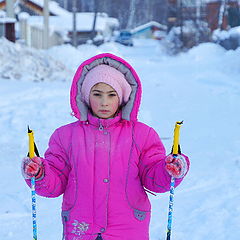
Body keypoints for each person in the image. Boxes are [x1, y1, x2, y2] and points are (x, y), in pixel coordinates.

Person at [22, 53, 190, 240]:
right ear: (86, 96)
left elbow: (153, 178)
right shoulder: (65, 136)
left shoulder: (142, 135)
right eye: (97, 94)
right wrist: (40, 174)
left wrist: (169, 171)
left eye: (111, 95)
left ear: (122, 97)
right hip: (81, 228)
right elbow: (56, 182)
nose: (104, 102)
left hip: (128, 229)